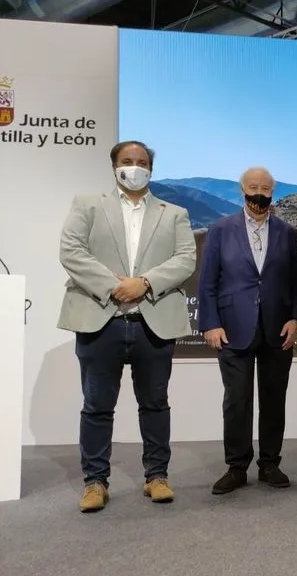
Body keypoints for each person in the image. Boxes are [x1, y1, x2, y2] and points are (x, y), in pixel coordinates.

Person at [58, 140, 196, 513]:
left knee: (155, 404)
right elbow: (71, 251)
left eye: (141, 162)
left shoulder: (175, 214)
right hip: (99, 318)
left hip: (153, 321)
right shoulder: (87, 205)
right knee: (97, 406)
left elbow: (186, 258)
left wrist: (145, 282)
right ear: (114, 166)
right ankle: (95, 482)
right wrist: (114, 286)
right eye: (127, 161)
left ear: (151, 169)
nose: (134, 167)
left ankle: (157, 476)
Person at [198, 167, 297, 495]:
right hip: (232, 329)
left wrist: (296, 318)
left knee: (274, 399)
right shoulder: (220, 229)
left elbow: (296, 281)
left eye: (265, 188)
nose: (259, 193)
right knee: (237, 400)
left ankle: (270, 463)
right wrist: (211, 323)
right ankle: (236, 466)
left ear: (272, 191)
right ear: (242, 190)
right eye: (253, 187)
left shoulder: (287, 232)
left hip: (277, 329)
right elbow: (208, 282)